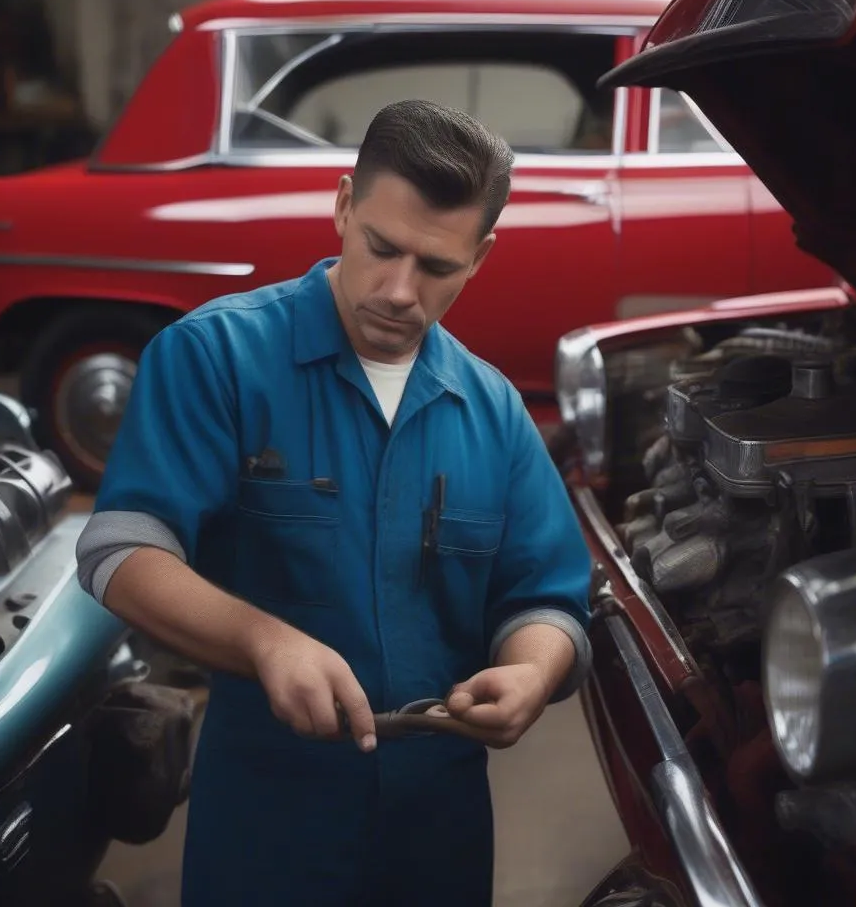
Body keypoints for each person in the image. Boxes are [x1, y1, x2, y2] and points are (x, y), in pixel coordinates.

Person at [76, 98, 593, 906]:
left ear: (481, 257)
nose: (398, 290)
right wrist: (263, 641)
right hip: (266, 830)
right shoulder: (216, 358)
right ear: (344, 205)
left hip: (439, 838)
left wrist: (531, 671)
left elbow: (548, 597)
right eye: (381, 248)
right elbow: (120, 551)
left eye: (436, 267)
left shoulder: (493, 413)